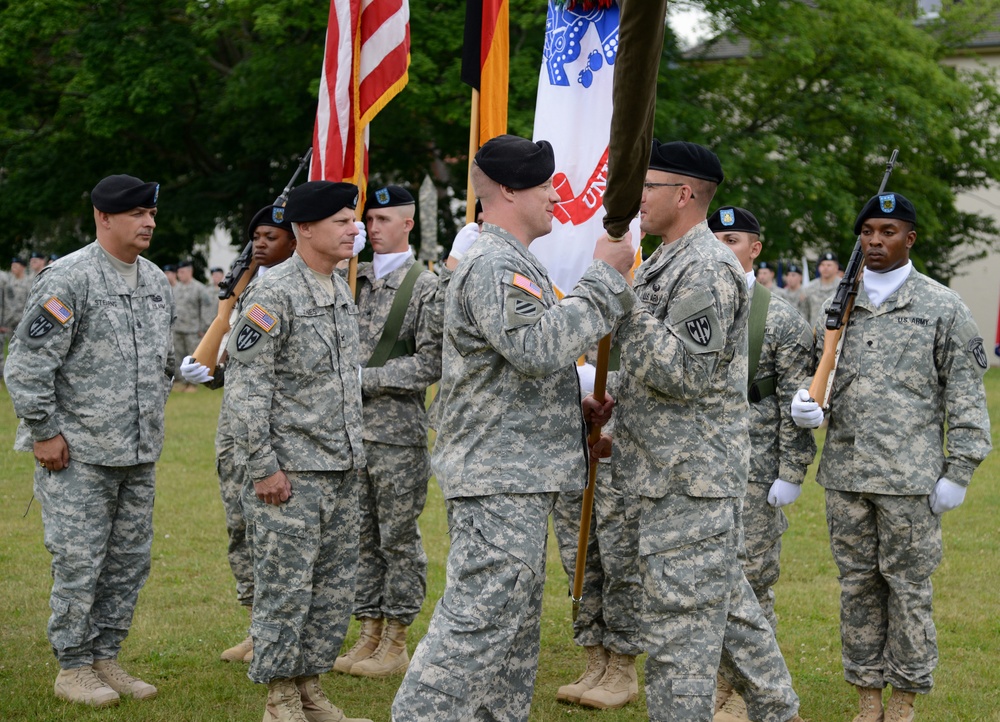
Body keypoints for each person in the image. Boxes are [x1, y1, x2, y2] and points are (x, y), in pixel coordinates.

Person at [391, 134, 636, 722]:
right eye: (544, 184)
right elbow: (536, 346)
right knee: (474, 630)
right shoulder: (497, 262)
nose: (556, 195)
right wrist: (604, 277)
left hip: (514, 473)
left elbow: (509, 368)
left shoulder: (513, 260)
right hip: (499, 479)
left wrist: (569, 404)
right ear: (506, 190)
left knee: (510, 643)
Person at [610, 140, 804, 722]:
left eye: (648, 187)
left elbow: (685, 372)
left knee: (678, 635)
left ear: (684, 194)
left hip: (690, 479)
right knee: (730, 611)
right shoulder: (671, 258)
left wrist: (618, 296)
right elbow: (656, 368)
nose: (638, 198)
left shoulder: (705, 266)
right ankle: (779, 710)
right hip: (667, 471)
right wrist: (611, 400)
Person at [791, 192, 991, 722]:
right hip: (847, 476)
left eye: (888, 231)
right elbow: (816, 372)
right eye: (867, 233)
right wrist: (807, 405)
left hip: (911, 480)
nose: (875, 242)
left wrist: (961, 468)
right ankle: (866, 699)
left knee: (907, 591)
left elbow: (966, 394)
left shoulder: (941, 306)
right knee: (856, 588)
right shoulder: (837, 303)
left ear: (911, 238)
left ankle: (903, 701)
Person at [4, 174, 173, 708]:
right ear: (104, 217)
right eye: (136, 213)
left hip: (138, 452)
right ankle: (73, 666)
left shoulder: (152, 280)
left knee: (128, 562)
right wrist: (45, 431)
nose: (148, 222)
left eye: (150, 212)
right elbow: (27, 366)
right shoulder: (69, 278)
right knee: (80, 561)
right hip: (78, 454)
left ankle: (106, 656)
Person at [225, 180, 371, 722]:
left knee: (331, 591)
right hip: (291, 474)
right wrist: (264, 468)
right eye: (341, 221)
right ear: (304, 229)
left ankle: (309, 688)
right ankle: (279, 698)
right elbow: (247, 388)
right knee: (285, 587)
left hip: (340, 468)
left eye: (353, 220)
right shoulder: (273, 293)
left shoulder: (336, 288)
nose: (353, 229)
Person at [709, 206, 817, 720]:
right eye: (715, 238)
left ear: (755, 248)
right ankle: (714, 686)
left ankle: (743, 694)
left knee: (751, 583)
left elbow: (796, 406)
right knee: (705, 581)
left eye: (733, 239)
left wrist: (791, 475)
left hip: (755, 476)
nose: (722, 247)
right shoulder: (694, 305)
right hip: (699, 468)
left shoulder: (779, 319)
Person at [332, 184, 443, 679]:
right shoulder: (348, 279)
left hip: (396, 434)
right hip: (348, 432)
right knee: (359, 536)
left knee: (396, 537)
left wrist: (367, 379)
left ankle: (396, 638)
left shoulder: (424, 286)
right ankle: (369, 630)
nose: (371, 228)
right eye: (367, 220)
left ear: (407, 224)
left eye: (382, 220)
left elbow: (432, 361)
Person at [180, 204, 299, 664]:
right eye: (257, 237)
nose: (262, 244)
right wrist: (208, 371)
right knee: (240, 528)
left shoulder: (297, 289)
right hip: (235, 431)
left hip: (275, 433)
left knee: (275, 533)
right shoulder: (244, 289)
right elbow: (237, 365)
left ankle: (278, 628)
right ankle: (255, 624)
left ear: (294, 239)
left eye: (272, 235)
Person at [551, 360, 643, 710]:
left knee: (619, 559)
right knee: (578, 556)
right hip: (570, 442)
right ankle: (595, 659)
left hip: (617, 446)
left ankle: (622, 666)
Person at [171, 259, 212, 391]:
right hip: (178, 328)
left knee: (193, 357)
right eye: (178, 272)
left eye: (182, 272)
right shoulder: (175, 289)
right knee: (178, 356)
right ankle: (181, 381)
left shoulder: (199, 288)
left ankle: (192, 384)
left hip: (193, 330)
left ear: (190, 272)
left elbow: (206, 309)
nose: (179, 275)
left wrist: (204, 328)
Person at [803, 251, 839, 327]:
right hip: (814, 331)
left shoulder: (842, 286)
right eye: (822, 265)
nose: (825, 268)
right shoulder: (809, 288)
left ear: (836, 268)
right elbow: (805, 313)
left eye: (829, 265)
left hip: (837, 332)